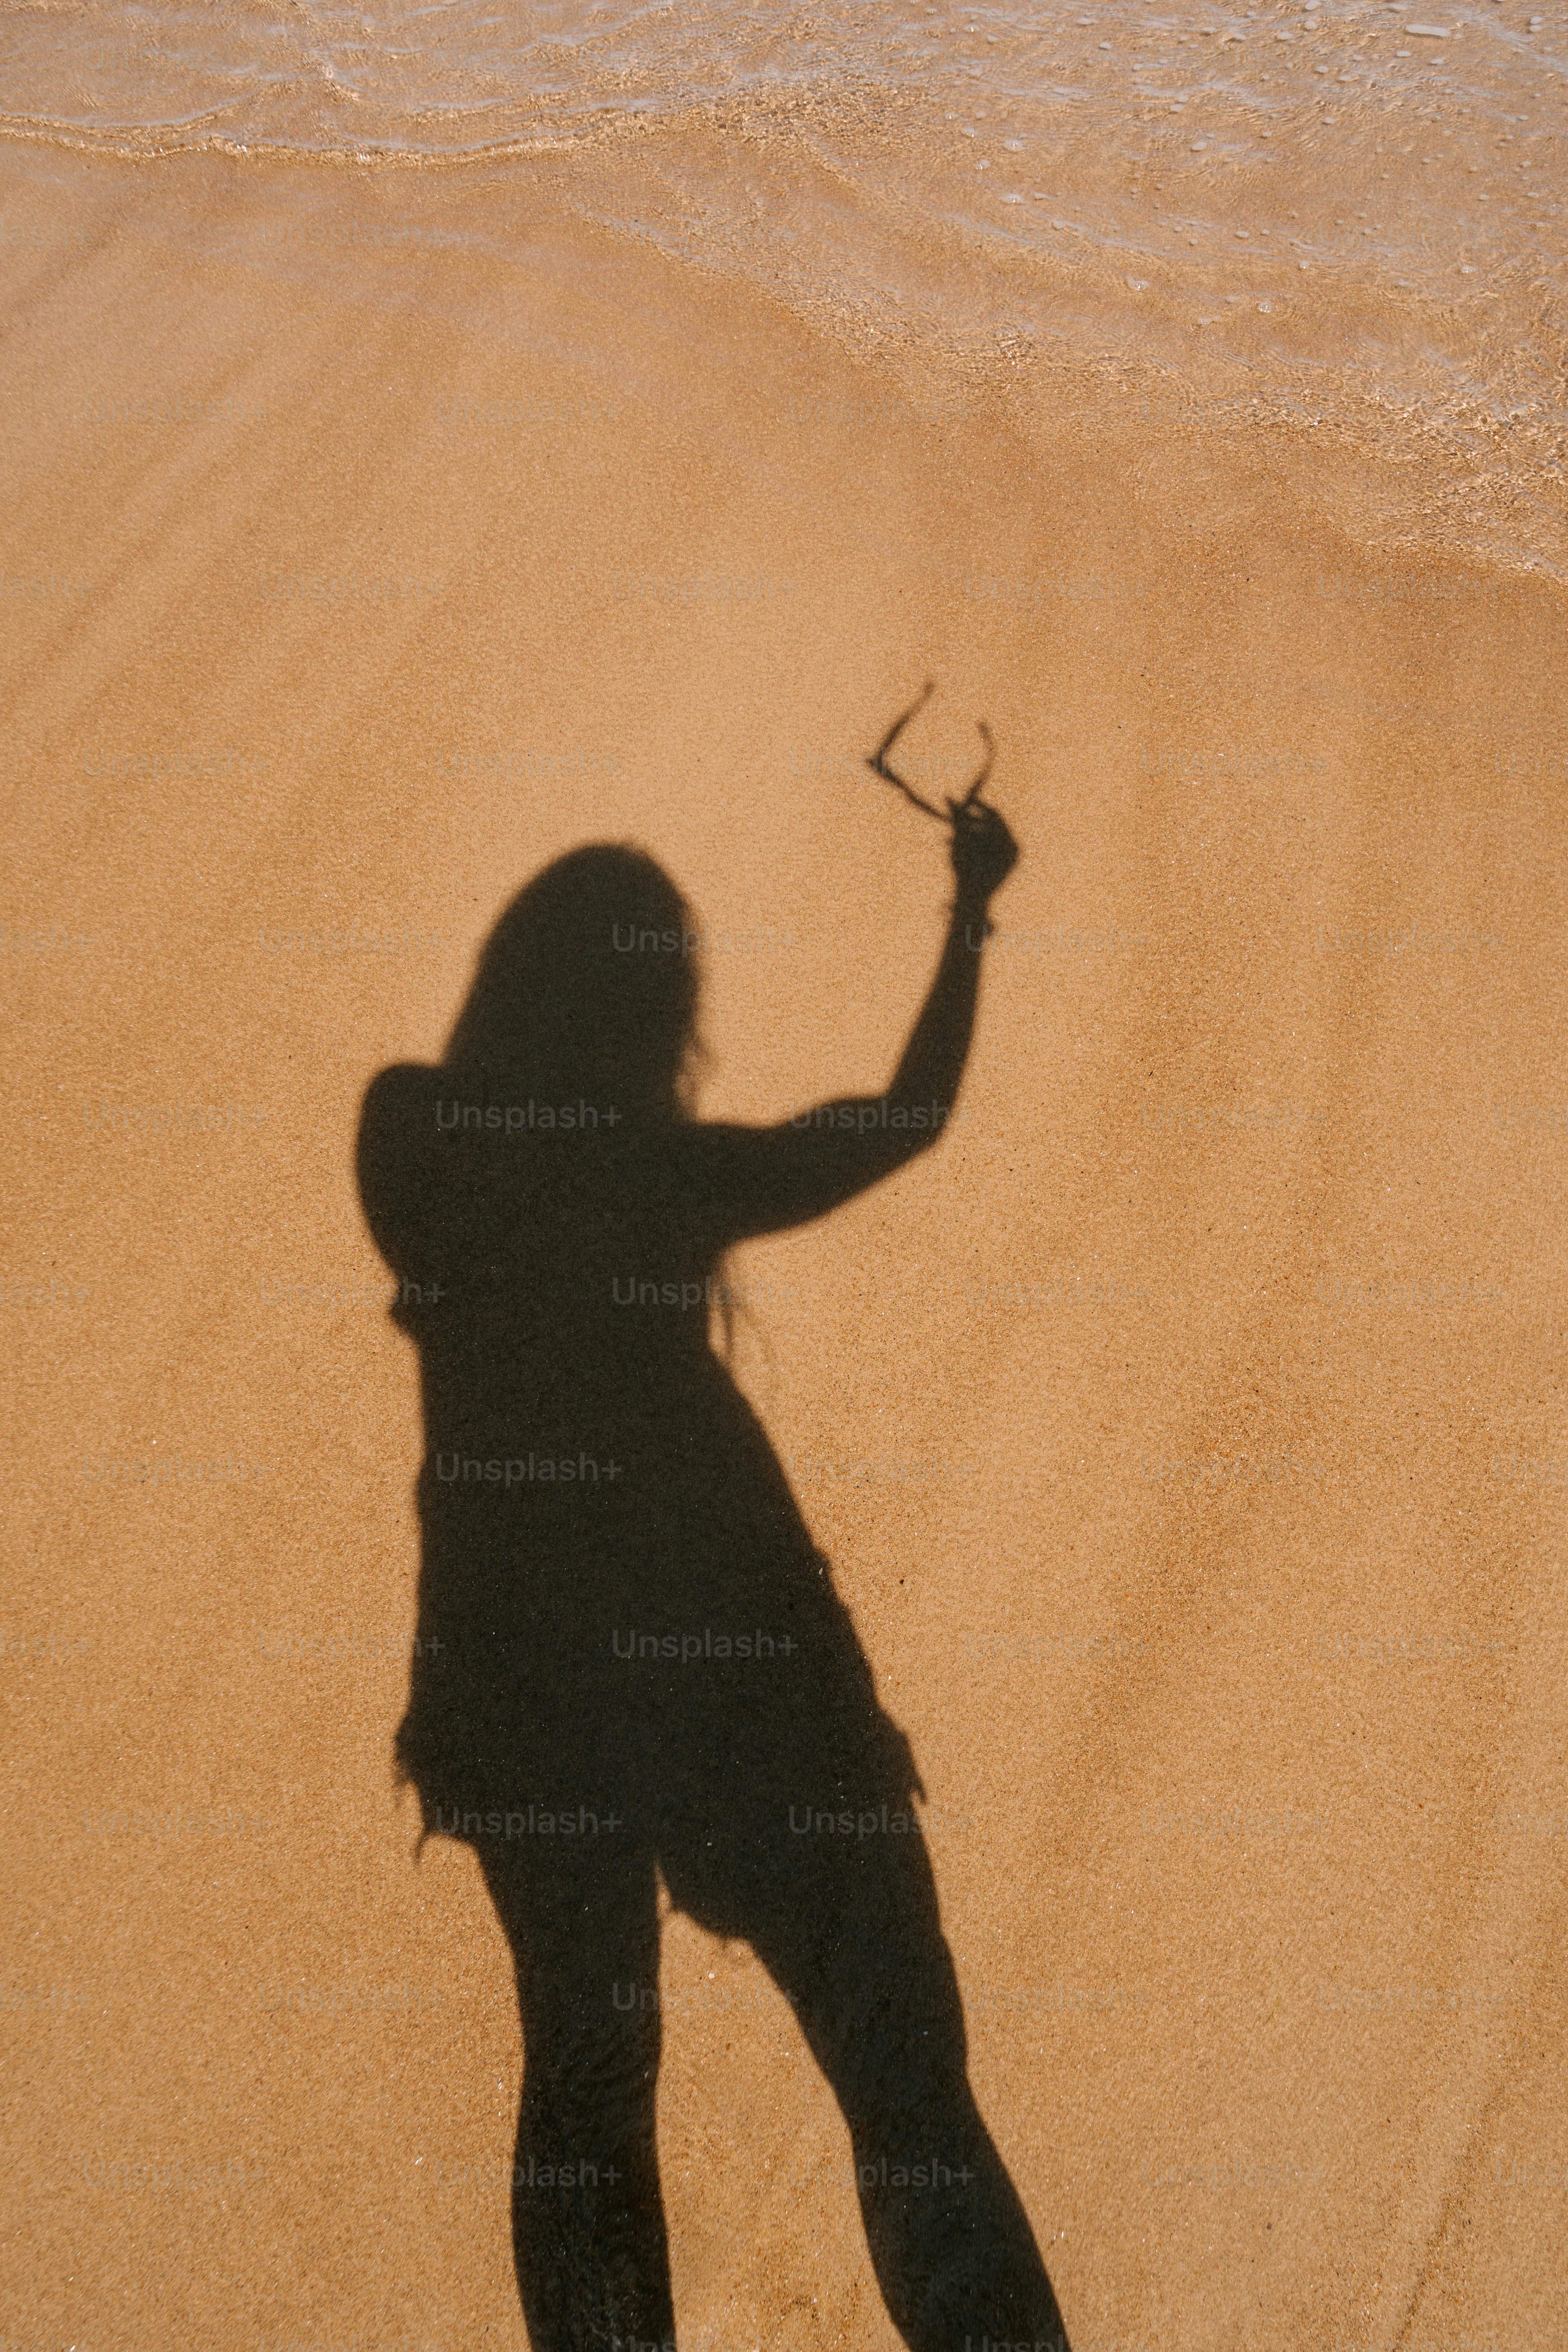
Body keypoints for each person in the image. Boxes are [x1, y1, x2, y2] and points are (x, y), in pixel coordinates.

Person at [356, 783, 1071, 2352]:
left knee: (590, 2087)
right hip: (739, 1657)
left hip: (522, 1678)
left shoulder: (414, 1138)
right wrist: (968, 914)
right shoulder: (658, 1178)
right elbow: (901, 1120)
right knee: (901, 2082)